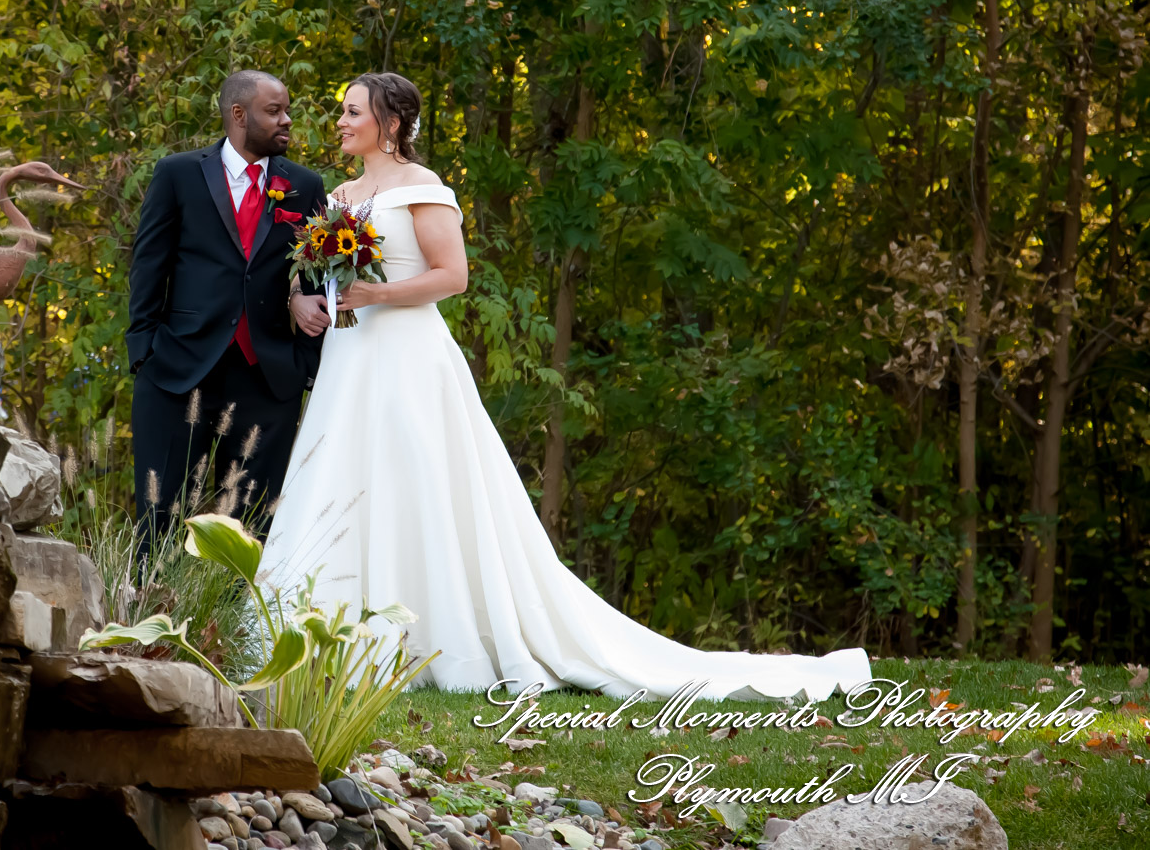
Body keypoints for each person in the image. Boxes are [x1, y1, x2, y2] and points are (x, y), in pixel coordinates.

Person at [259, 71, 872, 701]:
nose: (340, 121)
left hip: (409, 357)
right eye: (342, 111)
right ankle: (332, 634)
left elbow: (454, 276)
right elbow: (326, 277)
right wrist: (316, 299)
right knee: (346, 477)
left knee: (418, 483)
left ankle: (428, 634)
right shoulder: (340, 194)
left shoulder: (424, 189)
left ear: (389, 123)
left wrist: (377, 293)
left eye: (352, 111)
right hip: (351, 353)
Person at [128, 70, 331, 552]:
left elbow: (320, 278)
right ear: (238, 115)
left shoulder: (303, 185)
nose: (286, 121)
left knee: (253, 528)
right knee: (159, 520)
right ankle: (149, 621)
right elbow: (148, 266)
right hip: (177, 372)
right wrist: (144, 353)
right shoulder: (177, 174)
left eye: (286, 110)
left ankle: (236, 627)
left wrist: (305, 362)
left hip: (268, 379)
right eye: (274, 111)